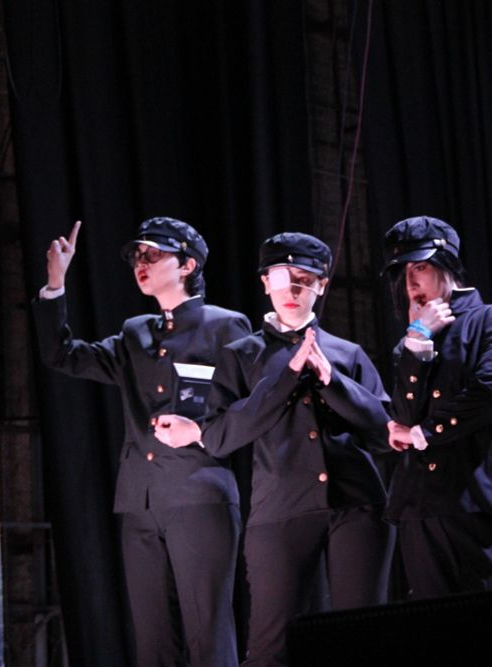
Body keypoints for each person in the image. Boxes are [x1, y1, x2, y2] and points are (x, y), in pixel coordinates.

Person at [155, 232, 394, 667]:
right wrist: (286, 378)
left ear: (322, 285)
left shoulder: (347, 354)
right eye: (282, 278)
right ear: (265, 283)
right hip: (280, 510)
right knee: (271, 646)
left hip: (356, 505)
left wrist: (332, 381)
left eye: (305, 279)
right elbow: (221, 435)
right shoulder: (242, 355)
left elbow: (383, 433)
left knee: (362, 638)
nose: (293, 289)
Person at [32, 217, 250, 666]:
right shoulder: (137, 332)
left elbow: (254, 408)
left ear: (187, 264)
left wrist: (202, 433)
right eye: (136, 256)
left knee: (207, 632)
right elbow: (63, 355)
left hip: (198, 494)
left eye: (153, 254)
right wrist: (55, 285)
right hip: (139, 500)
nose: (140, 263)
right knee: (152, 639)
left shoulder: (225, 326)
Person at [382, 216, 492, 599]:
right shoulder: (410, 343)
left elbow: (489, 392)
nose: (410, 282)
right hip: (420, 504)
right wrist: (417, 342)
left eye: (420, 267)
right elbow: (402, 415)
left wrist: (424, 433)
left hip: (479, 501)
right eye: (403, 272)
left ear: (447, 264)